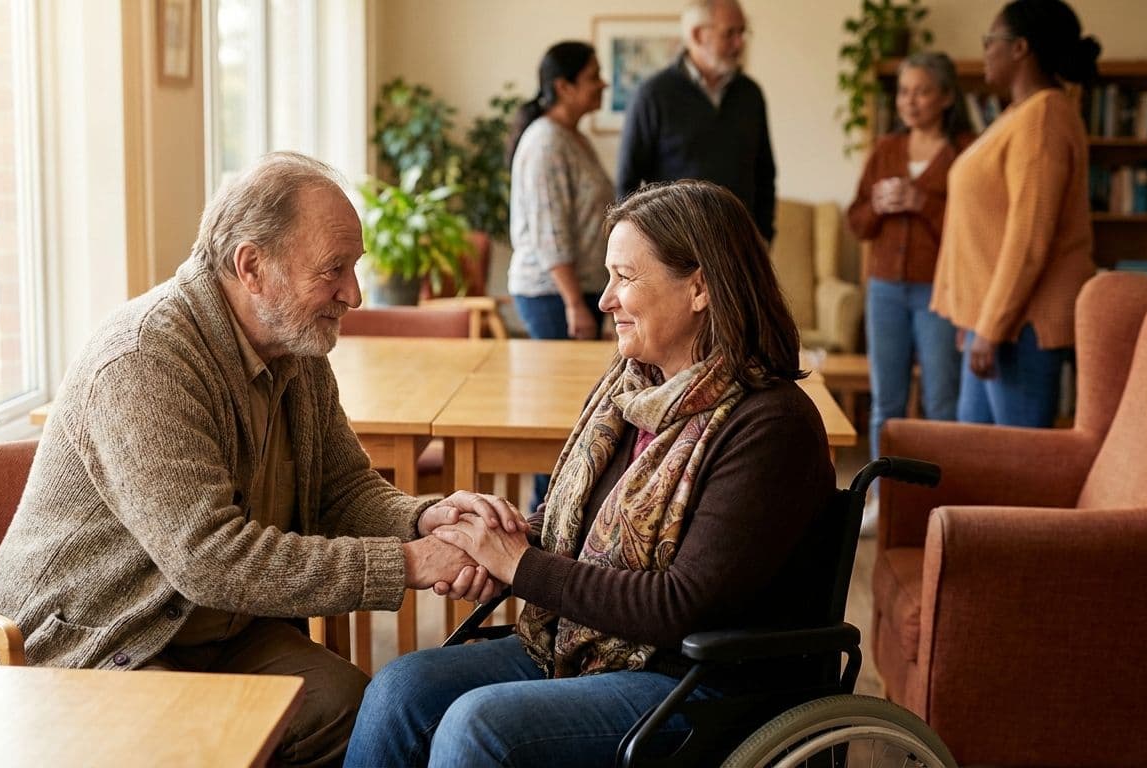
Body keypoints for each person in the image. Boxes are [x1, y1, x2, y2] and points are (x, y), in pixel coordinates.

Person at [0, 152, 525, 767]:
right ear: (252, 266)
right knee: (222, 739)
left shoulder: (298, 348)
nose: (354, 293)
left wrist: (426, 520)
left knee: (359, 709)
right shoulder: (145, 360)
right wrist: (409, 563)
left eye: (354, 268)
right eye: (333, 270)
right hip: (98, 644)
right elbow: (208, 558)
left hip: (217, 631)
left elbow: (343, 489)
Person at [343, 181, 835, 768]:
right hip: (587, 646)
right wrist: (495, 546)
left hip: (700, 679)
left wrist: (518, 565)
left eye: (625, 277)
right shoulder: (629, 391)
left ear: (700, 287)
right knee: (401, 689)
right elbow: (577, 533)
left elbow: (679, 605)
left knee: (479, 729)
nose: (605, 299)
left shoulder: (771, 424)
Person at [931, 0, 1100, 427]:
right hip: (997, 324)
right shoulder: (1019, 115)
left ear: (1020, 48)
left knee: (1017, 478)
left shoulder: (1043, 120)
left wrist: (990, 326)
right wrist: (976, 320)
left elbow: (1029, 240)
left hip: (1020, 329)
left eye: (991, 41)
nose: (984, 50)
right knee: (976, 467)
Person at [846, 52, 972, 535]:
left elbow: (972, 232)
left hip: (939, 291)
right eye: (903, 92)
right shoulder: (886, 149)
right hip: (884, 291)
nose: (910, 101)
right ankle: (884, 502)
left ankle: (937, 505)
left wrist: (922, 203)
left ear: (944, 97)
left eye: (921, 91)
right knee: (886, 402)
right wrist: (876, 207)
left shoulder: (964, 152)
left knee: (943, 402)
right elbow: (857, 222)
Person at [506, 40, 612, 512]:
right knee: (562, 418)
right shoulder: (546, 141)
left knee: (576, 414)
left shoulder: (572, 136)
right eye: (593, 76)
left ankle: (562, 521)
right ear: (563, 86)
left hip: (574, 290)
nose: (603, 84)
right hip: (553, 294)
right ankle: (544, 521)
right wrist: (574, 302)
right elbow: (551, 235)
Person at [615, 0, 776, 241]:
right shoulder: (653, 94)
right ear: (699, 35)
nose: (740, 42)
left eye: (742, 32)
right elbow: (628, 182)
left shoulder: (750, 94)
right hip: (676, 248)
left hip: (740, 245)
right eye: (730, 33)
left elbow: (765, 173)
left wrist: (764, 236)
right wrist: (643, 245)